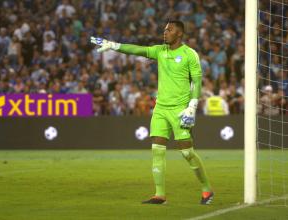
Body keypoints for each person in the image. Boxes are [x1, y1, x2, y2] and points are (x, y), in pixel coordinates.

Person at [91, 20, 213, 205]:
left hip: (180, 110)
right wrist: (114, 45)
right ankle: (160, 195)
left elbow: (197, 81)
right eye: (164, 29)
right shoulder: (160, 51)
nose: (165, 32)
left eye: (169, 30)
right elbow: (137, 50)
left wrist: (192, 106)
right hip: (161, 109)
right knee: (157, 150)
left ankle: (206, 189)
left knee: (187, 153)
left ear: (179, 34)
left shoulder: (190, 54)